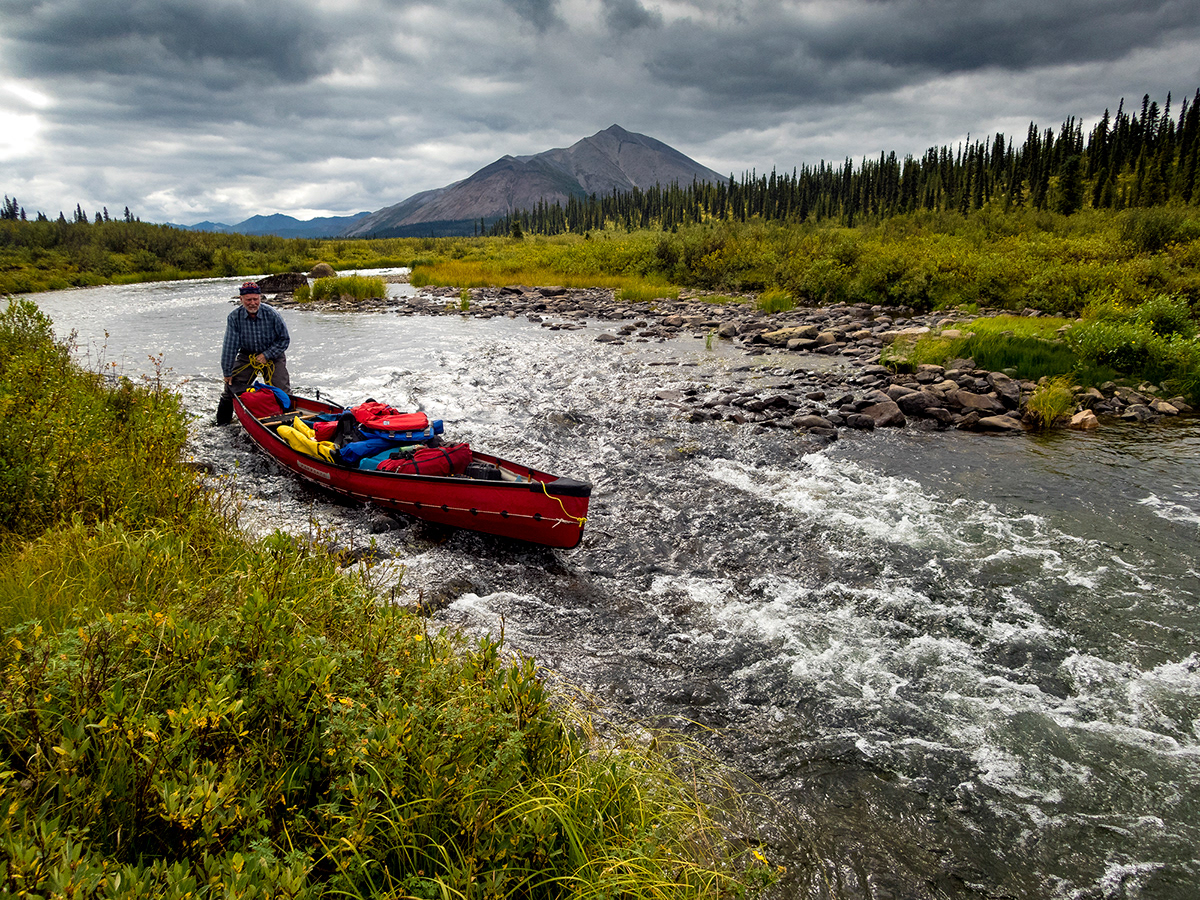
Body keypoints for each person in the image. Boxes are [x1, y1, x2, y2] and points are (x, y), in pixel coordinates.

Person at [214, 281, 291, 425]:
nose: (252, 303)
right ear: (241, 299)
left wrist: (266, 355)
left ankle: (287, 421)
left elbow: (284, 340)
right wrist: (227, 372)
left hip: (273, 355)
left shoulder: (272, 314)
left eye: (255, 299)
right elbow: (230, 347)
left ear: (260, 298)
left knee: (283, 390)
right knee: (230, 388)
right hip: (247, 355)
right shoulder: (234, 318)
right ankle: (221, 424)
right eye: (248, 299)